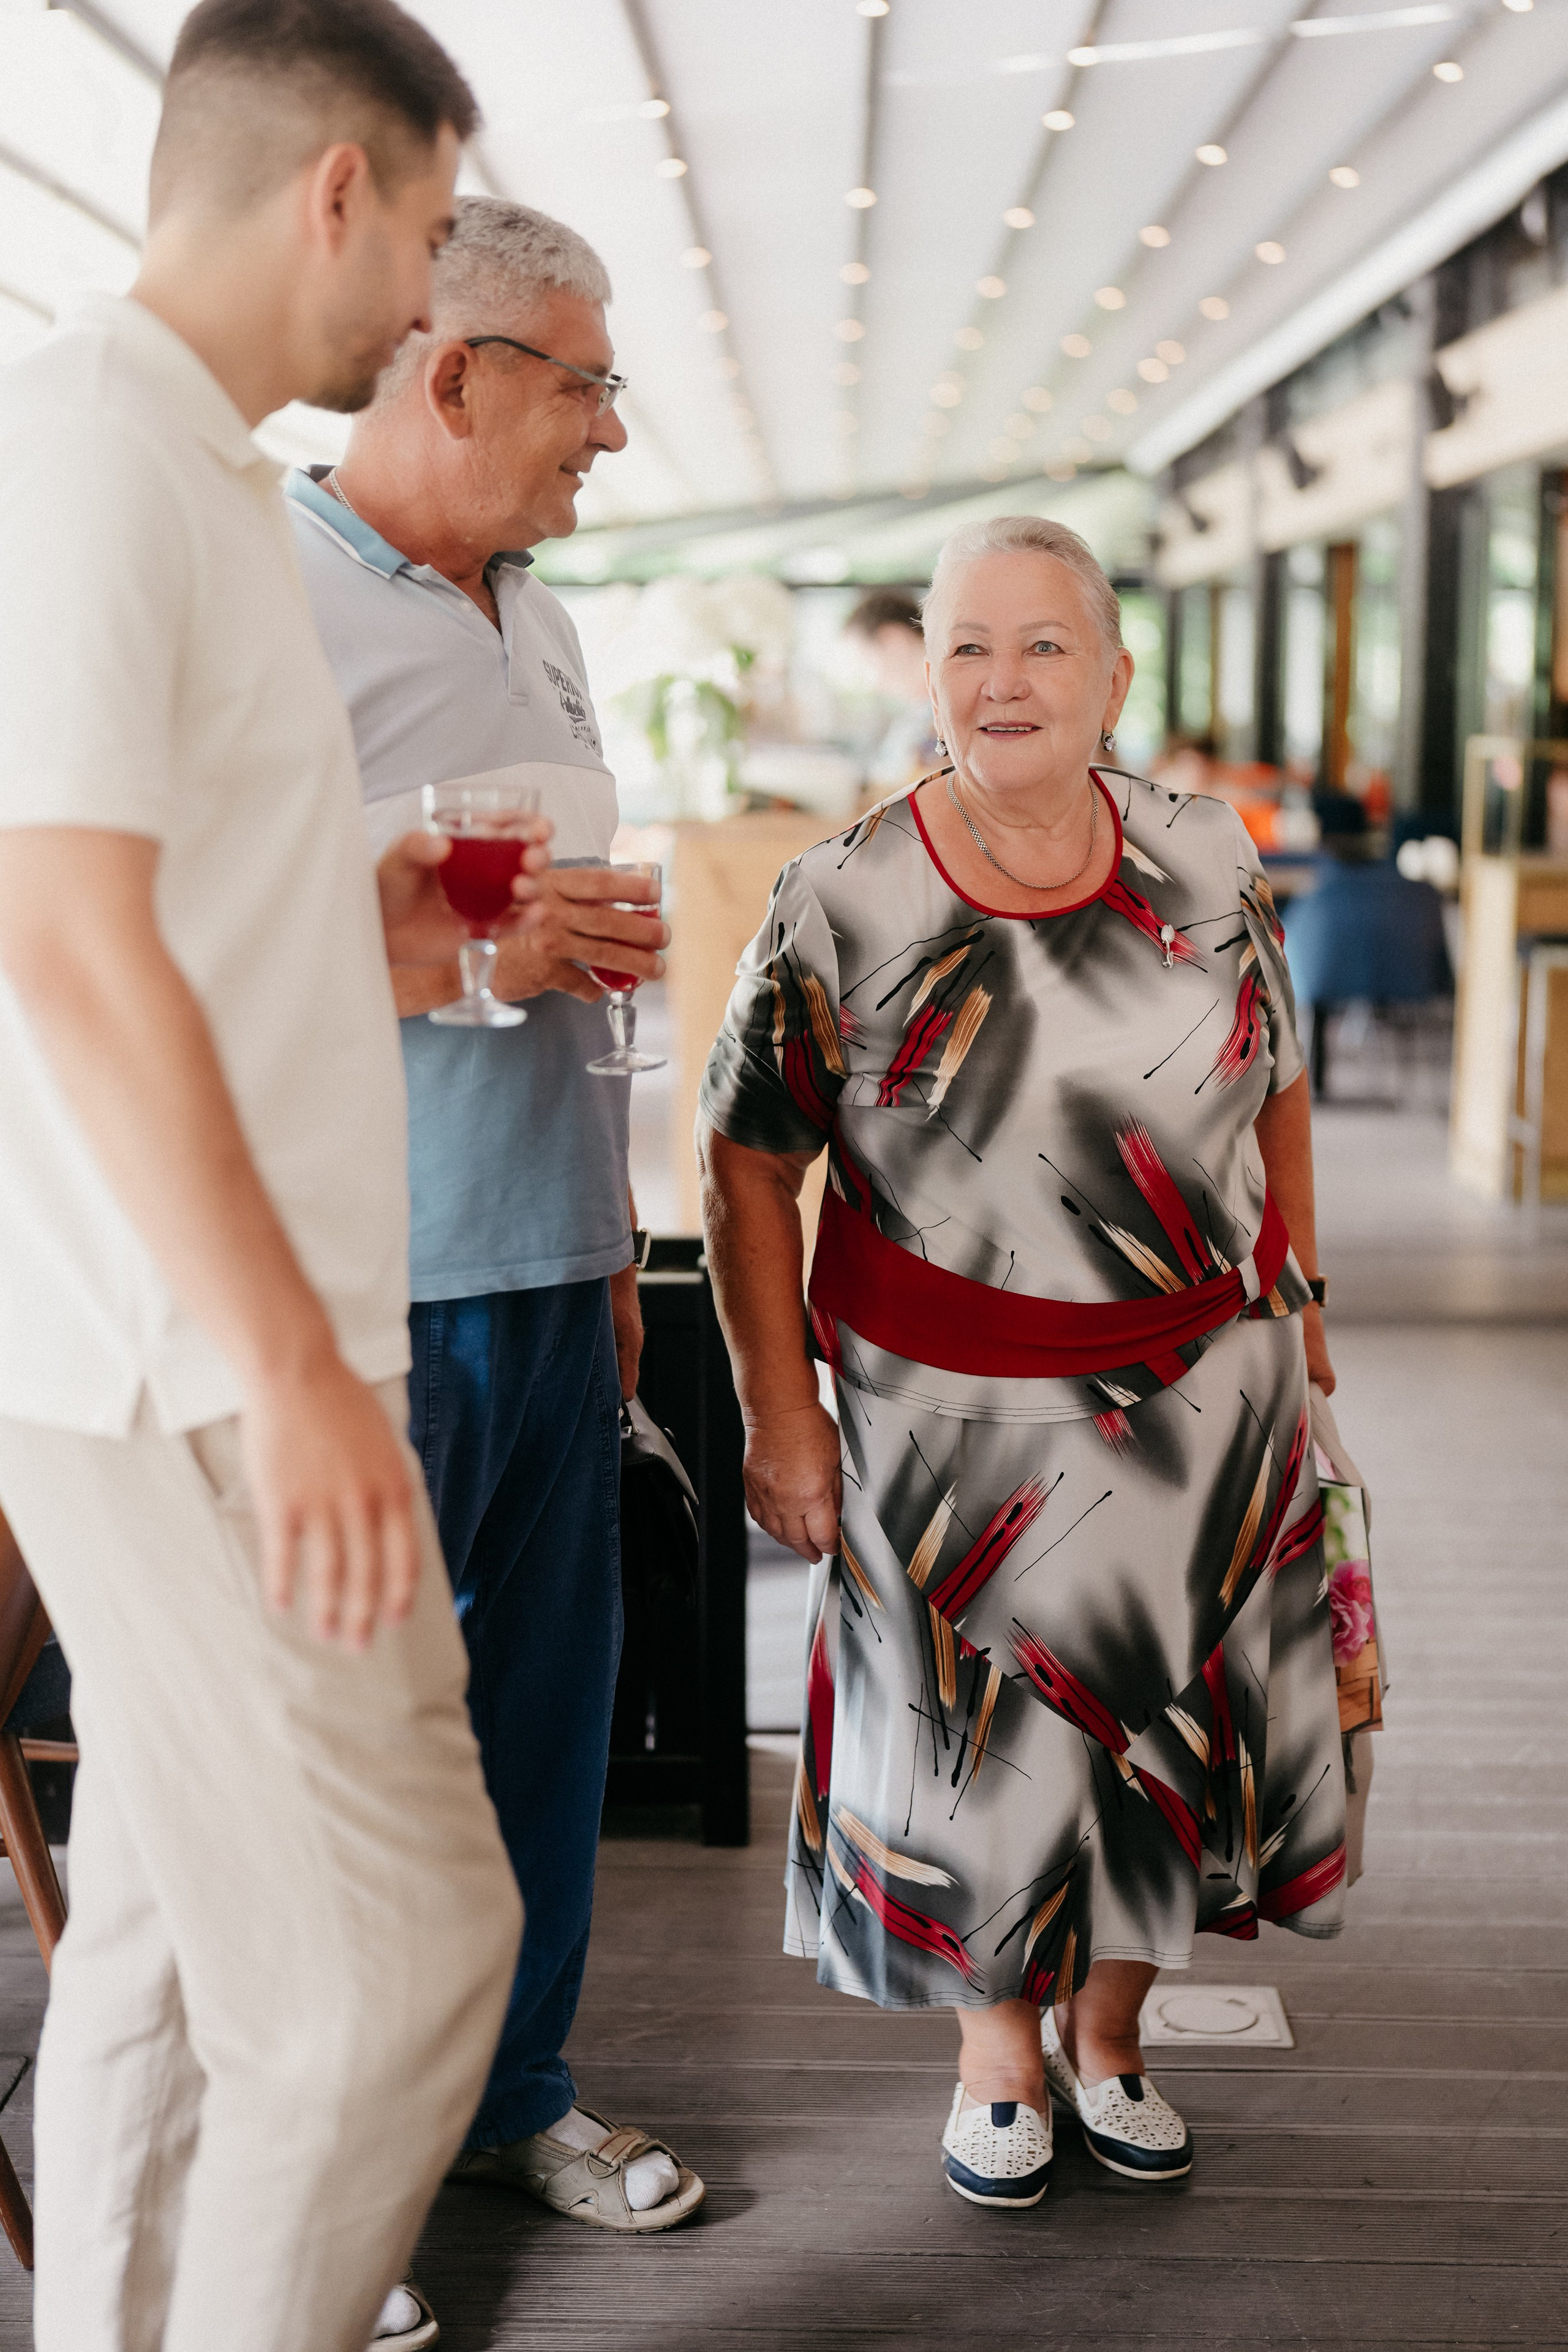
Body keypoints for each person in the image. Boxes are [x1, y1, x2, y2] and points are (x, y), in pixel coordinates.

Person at [0, 5, 540, 2345]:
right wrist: (296, 1367)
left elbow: (165, 902)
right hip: (196, 1374)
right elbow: (54, 929)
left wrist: (356, 913)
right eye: (426, 234)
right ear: (338, 188)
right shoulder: (91, 444)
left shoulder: (194, 472)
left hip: (181, 1360)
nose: (426, 303)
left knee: (156, 1943)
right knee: (396, 1974)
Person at [697, 514, 1346, 2210]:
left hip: (1202, 1402)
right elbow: (746, 1163)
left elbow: (1275, 1077)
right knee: (968, 1753)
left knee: (1168, 1727)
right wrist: (779, 1410)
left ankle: (1109, 2035)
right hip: (942, 1421)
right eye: (966, 646)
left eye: (1043, 645)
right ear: (923, 676)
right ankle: (996, 2052)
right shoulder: (842, 894)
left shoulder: (1205, 853)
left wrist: (1302, 1301)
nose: (1002, 680)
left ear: (1113, 677)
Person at [285, 197, 703, 2233]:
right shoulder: (255, 604)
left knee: (545, 1725)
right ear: (455, 375)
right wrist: (474, 953)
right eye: (590, 386)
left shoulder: (541, 616)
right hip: (358, 1292)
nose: (613, 430)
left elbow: (564, 970)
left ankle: (513, 2094)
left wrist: (616, 1242)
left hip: (550, 1267)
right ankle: (319, 2191)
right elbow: (164, 955)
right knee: (347, 1760)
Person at [846, 587, 941, 790]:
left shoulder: (944, 718)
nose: (867, 681)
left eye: (864, 661)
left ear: (893, 641)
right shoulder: (915, 716)